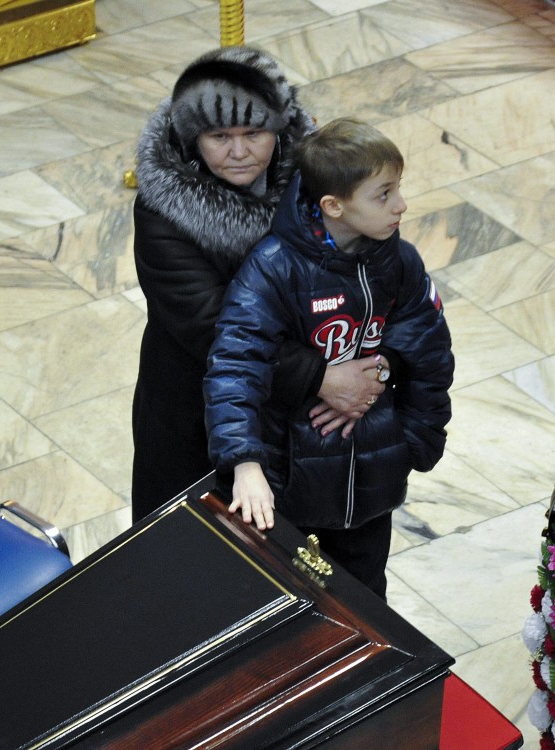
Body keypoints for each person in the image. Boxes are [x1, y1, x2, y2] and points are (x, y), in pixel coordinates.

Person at [131, 48, 386, 524]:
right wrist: (320, 376)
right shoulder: (162, 212)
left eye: (254, 133)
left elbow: (383, 279)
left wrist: (380, 368)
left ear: (280, 128)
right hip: (200, 413)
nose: (239, 151)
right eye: (219, 136)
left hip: (314, 421)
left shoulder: (322, 184)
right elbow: (209, 326)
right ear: (192, 138)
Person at [203, 118, 455, 599]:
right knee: (286, 609)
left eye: (398, 189)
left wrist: (414, 438)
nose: (400, 205)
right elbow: (235, 368)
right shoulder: (274, 268)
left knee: (365, 603)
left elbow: (428, 345)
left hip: (372, 483)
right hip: (290, 488)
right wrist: (246, 464)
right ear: (334, 206)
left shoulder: (398, 260)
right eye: (383, 195)